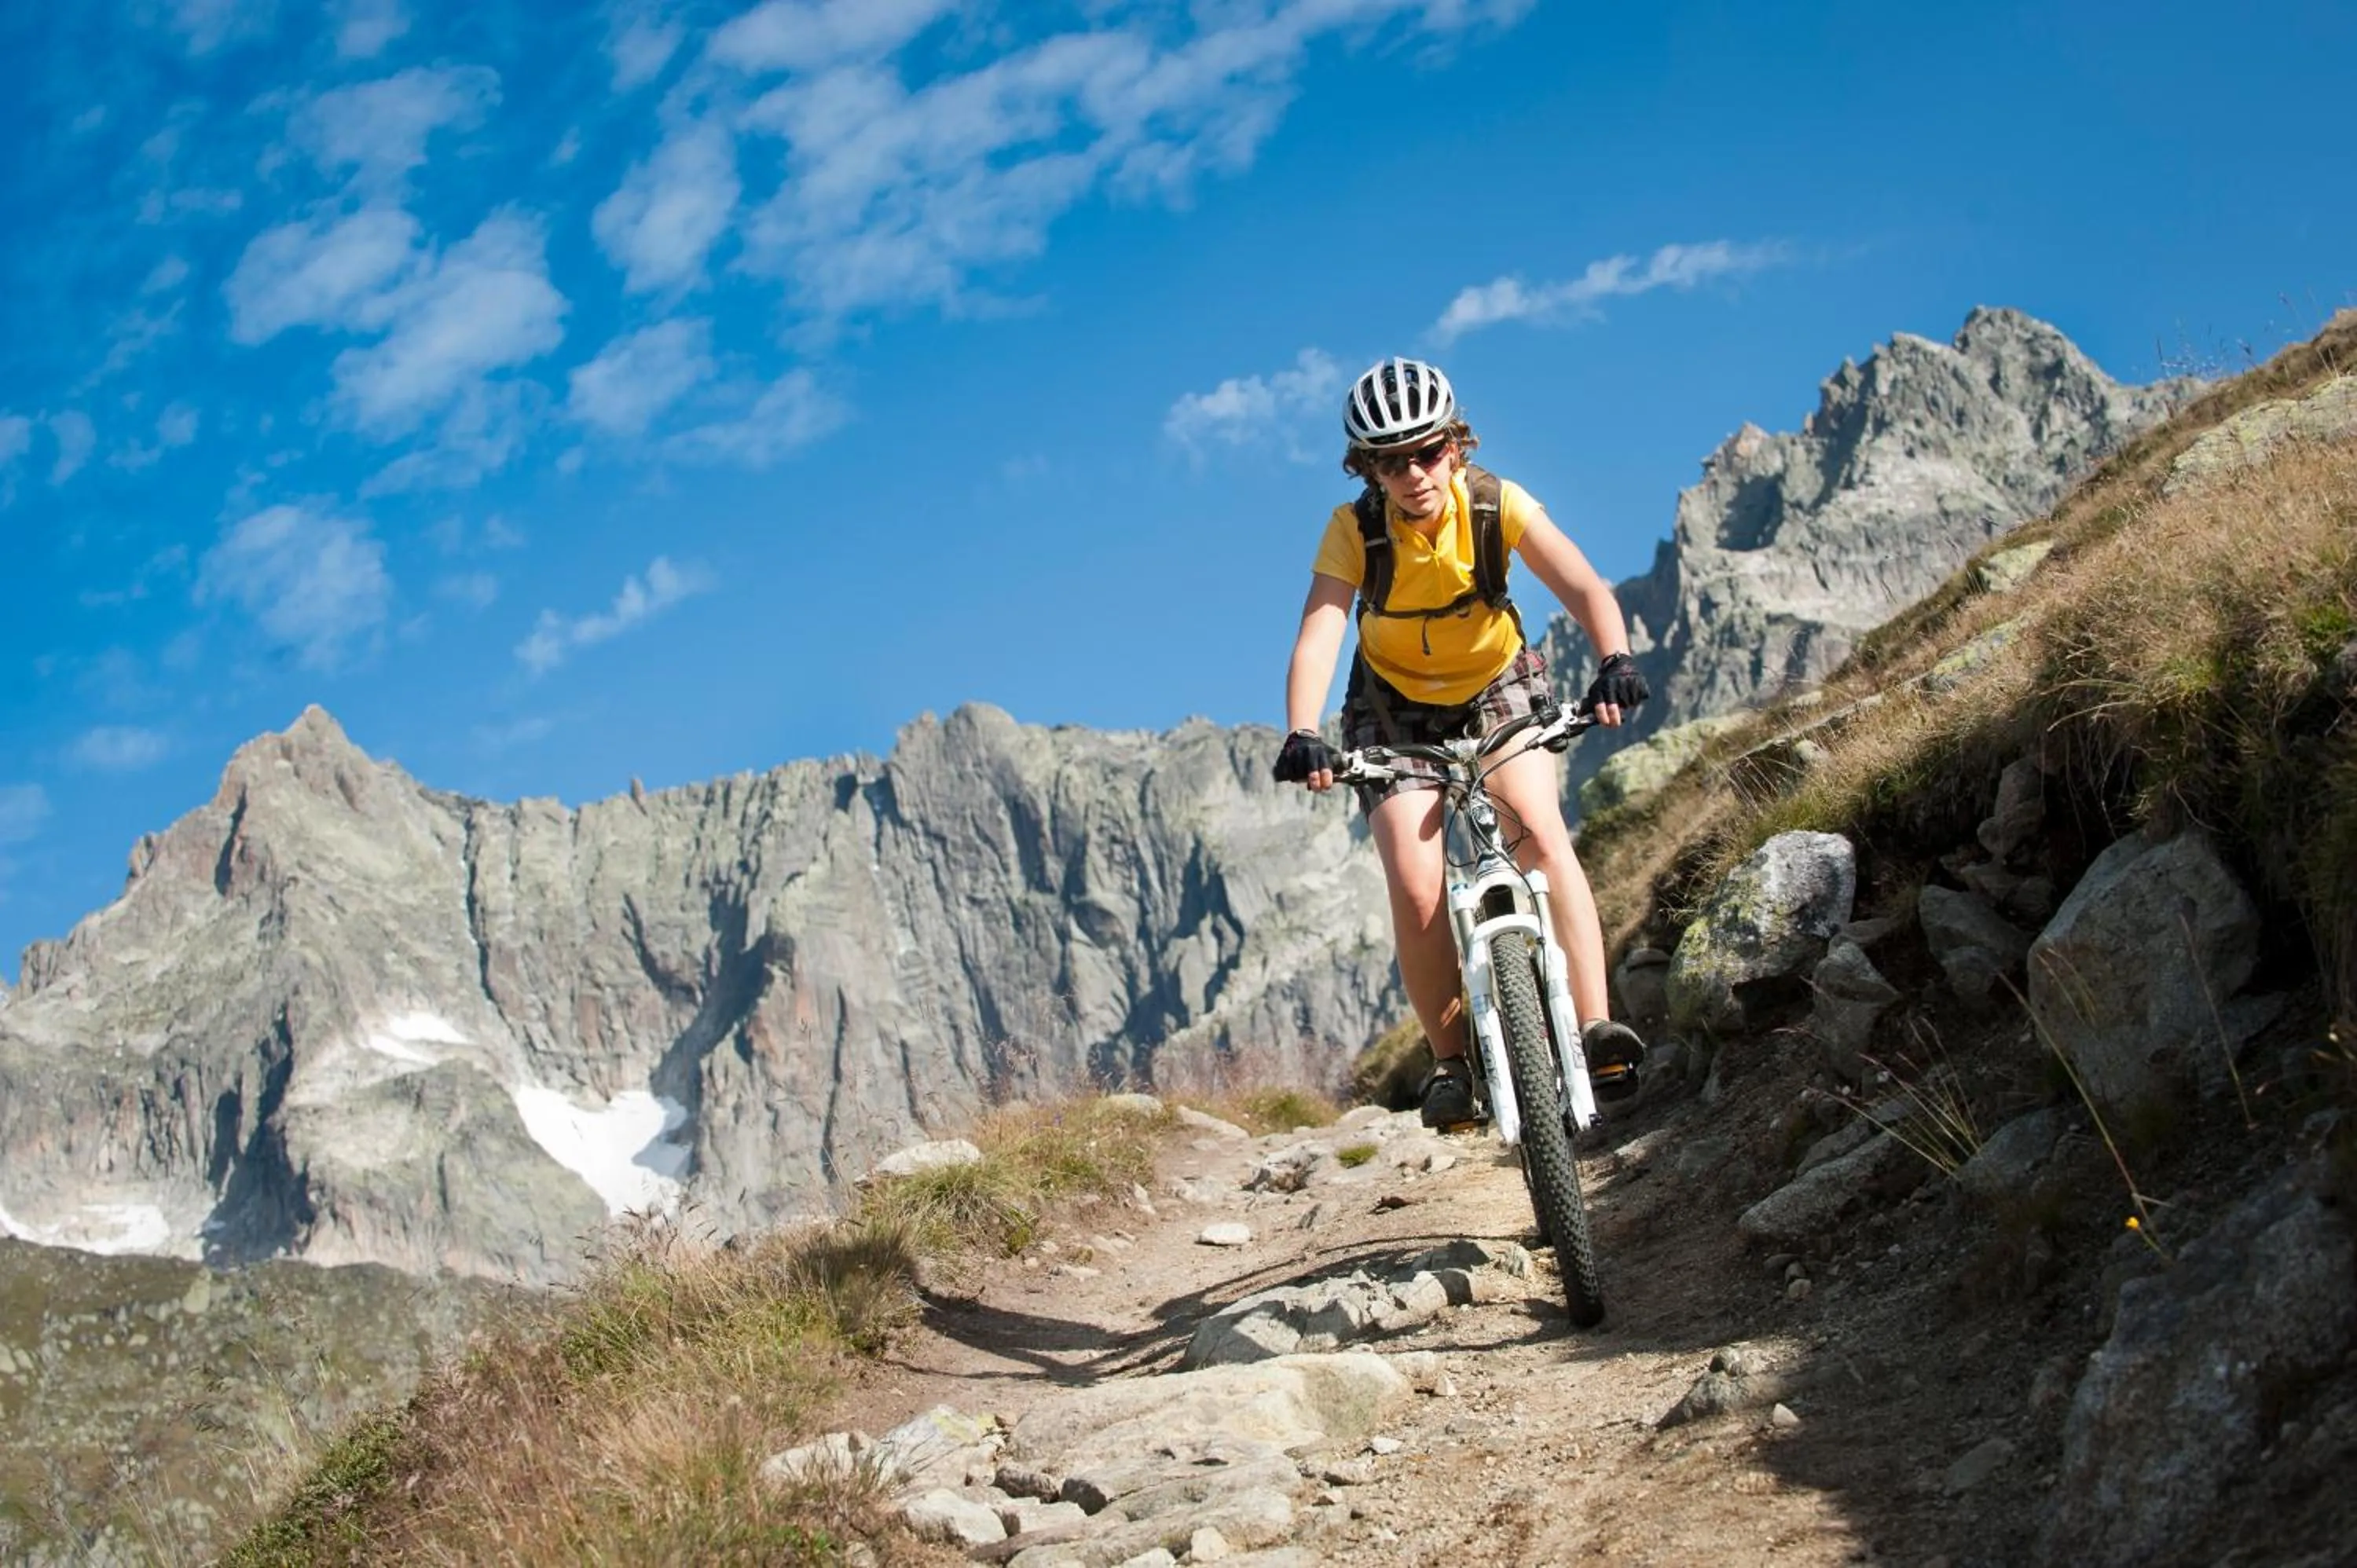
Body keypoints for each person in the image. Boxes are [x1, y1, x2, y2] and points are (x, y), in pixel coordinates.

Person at [1272, 357, 1651, 1130]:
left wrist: (1615, 657)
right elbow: (1321, 632)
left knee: (1540, 833)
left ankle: (1595, 1027)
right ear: (1366, 468)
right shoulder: (1354, 531)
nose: (1414, 473)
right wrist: (1303, 731)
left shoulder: (1495, 504)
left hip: (1499, 687)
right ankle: (1450, 1064)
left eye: (1428, 451)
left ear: (1456, 444)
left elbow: (1582, 585)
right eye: (1391, 460)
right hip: (1390, 709)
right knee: (1416, 887)